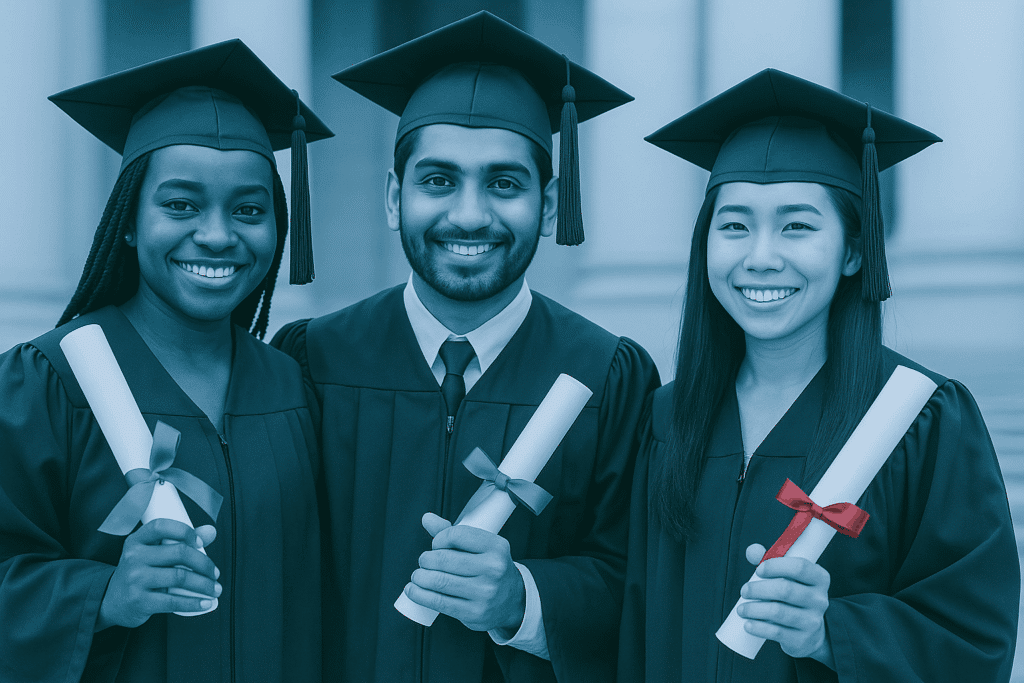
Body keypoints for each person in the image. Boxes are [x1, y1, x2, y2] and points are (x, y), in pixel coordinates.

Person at [271, 11, 660, 683]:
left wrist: (526, 601)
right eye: (438, 180)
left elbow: (642, 577)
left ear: (548, 202)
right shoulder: (312, 360)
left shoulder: (609, 373)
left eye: (504, 183)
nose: (470, 214)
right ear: (395, 198)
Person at [617, 68, 1020, 682]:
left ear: (854, 251)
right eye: (734, 225)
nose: (760, 256)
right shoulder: (671, 420)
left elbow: (973, 635)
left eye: (797, 225)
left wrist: (832, 633)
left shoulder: (922, 419)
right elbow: (632, 625)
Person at [0, 40, 333, 682]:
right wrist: (100, 596)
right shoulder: (42, 383)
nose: (216, 234)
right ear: (128, 220)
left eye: (249, 210)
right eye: (179, 204)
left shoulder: (292, 384)